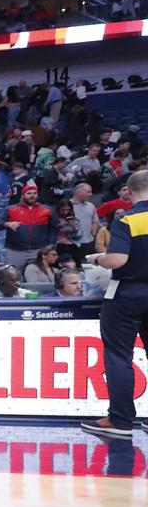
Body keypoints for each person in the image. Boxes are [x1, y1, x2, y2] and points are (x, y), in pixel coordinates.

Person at [82, 170, 148, 438]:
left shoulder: (127, 219)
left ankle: (120, 420)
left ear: (129, 191)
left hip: (127, 294)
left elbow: (117, 260)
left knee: (119, 356)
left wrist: (99, 258)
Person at [0, 181, 55, 269]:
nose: (32, 195)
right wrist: (6, 224)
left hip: (38, 250)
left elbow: (54, 229)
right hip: (15, 251)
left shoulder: (47, 210)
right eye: (29, 193)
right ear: (23, 195)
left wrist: (51, 244)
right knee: (12, 276)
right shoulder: (10, 209)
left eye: (35, 193)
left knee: (38, 277)